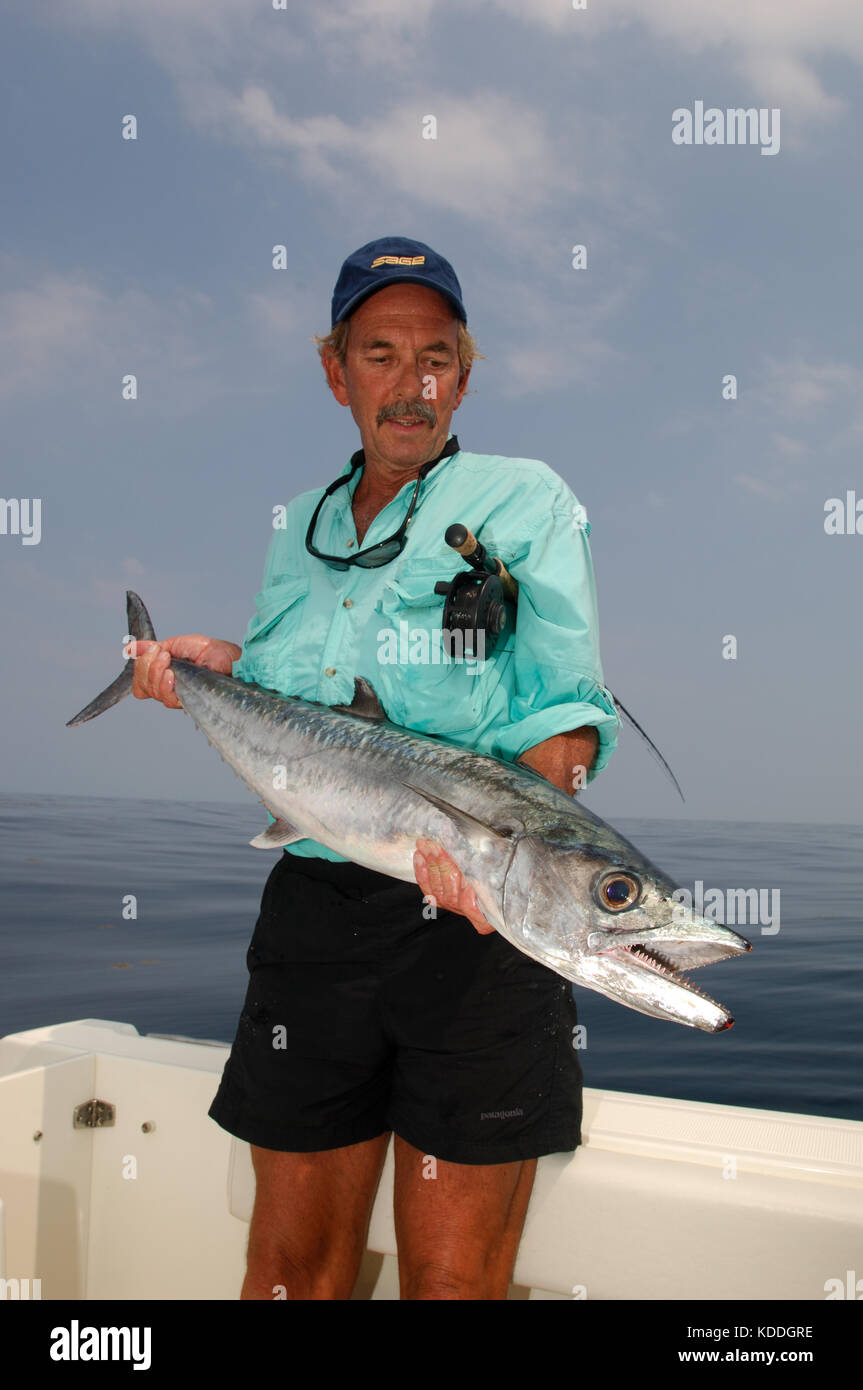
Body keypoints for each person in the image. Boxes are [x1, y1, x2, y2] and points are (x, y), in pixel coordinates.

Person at [130, 236, 619, 1300]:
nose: (412, 384)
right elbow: (289, 697)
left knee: (448, 1285)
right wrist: (213, 667)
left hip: (478, 928)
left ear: (465, 371)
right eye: (382, 355)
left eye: (435, 357)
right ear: (334, 369)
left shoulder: (524, 499)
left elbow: (564, 711)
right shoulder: (296, 529)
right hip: (314, 913)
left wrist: (502, 858)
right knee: (290, 1271)